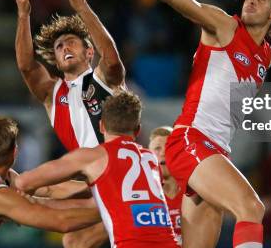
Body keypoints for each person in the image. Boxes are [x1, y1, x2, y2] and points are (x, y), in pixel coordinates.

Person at [93, 0, 271, 248]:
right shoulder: (224, 26)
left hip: (216, 151)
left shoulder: (267, 57)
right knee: (251, 208)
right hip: (191, 140)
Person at [6, 0, 126, 247]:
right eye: (59, 46)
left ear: (88, 51)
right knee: (72, 239)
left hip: (119, 169)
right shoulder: (53, 93)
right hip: (90, 177)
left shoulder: (103, 77)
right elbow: (26, 66)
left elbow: (111, 55)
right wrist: (23, 16)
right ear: (56, 61)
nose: (64, 47)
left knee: (51, 209)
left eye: (71, 42)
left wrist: (82, 7)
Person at [15, 91, 179, 248]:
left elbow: (24, 182)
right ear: (138, 130)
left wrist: (23, 197)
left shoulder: (93, 156)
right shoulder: (151, 159)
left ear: (101, 126)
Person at [0, 114, 101, 248]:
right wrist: (116, 209)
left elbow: (49, 190)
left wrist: (99, 186)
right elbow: (61, 221)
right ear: (15, 151)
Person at [149, 126, 183, 245]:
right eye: (157, 148)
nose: (163, 152)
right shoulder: (144, 197)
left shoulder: (195, 192)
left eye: (169, 147)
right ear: (149, 155)